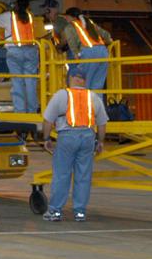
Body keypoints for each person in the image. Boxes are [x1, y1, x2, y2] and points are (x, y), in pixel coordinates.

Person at [41, 65, 108, 222]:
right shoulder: (93, 96)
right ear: (84, 81)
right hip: (88, 137)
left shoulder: (61, 95)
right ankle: (80, 212)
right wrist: (101, 141)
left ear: (70, 78)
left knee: (62, 174)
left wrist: (46, 139)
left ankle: (55, 211)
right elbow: (102, 122)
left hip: (67, 137)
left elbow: (47, 120)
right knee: (83, 175)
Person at [0, 0, 39, 114]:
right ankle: (32, 111)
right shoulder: (30, 16)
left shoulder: (8, 16)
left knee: (17, 81)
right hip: (31, 50)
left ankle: (20, 110)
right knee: (30, 81)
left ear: (16, 5)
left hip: (14, 50)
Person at [55, 7, 112, 92]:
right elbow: (106, 35)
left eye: (67, 16)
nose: (66, 18)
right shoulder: (90, 23)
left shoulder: (70, 26)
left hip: (89, 53)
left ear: (73, 17)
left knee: (84, 85)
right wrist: (108, 42)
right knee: (97, 86)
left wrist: (76, 55)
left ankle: (84, 105)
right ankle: (96, 105)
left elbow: (72, 44)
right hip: (103, 52)